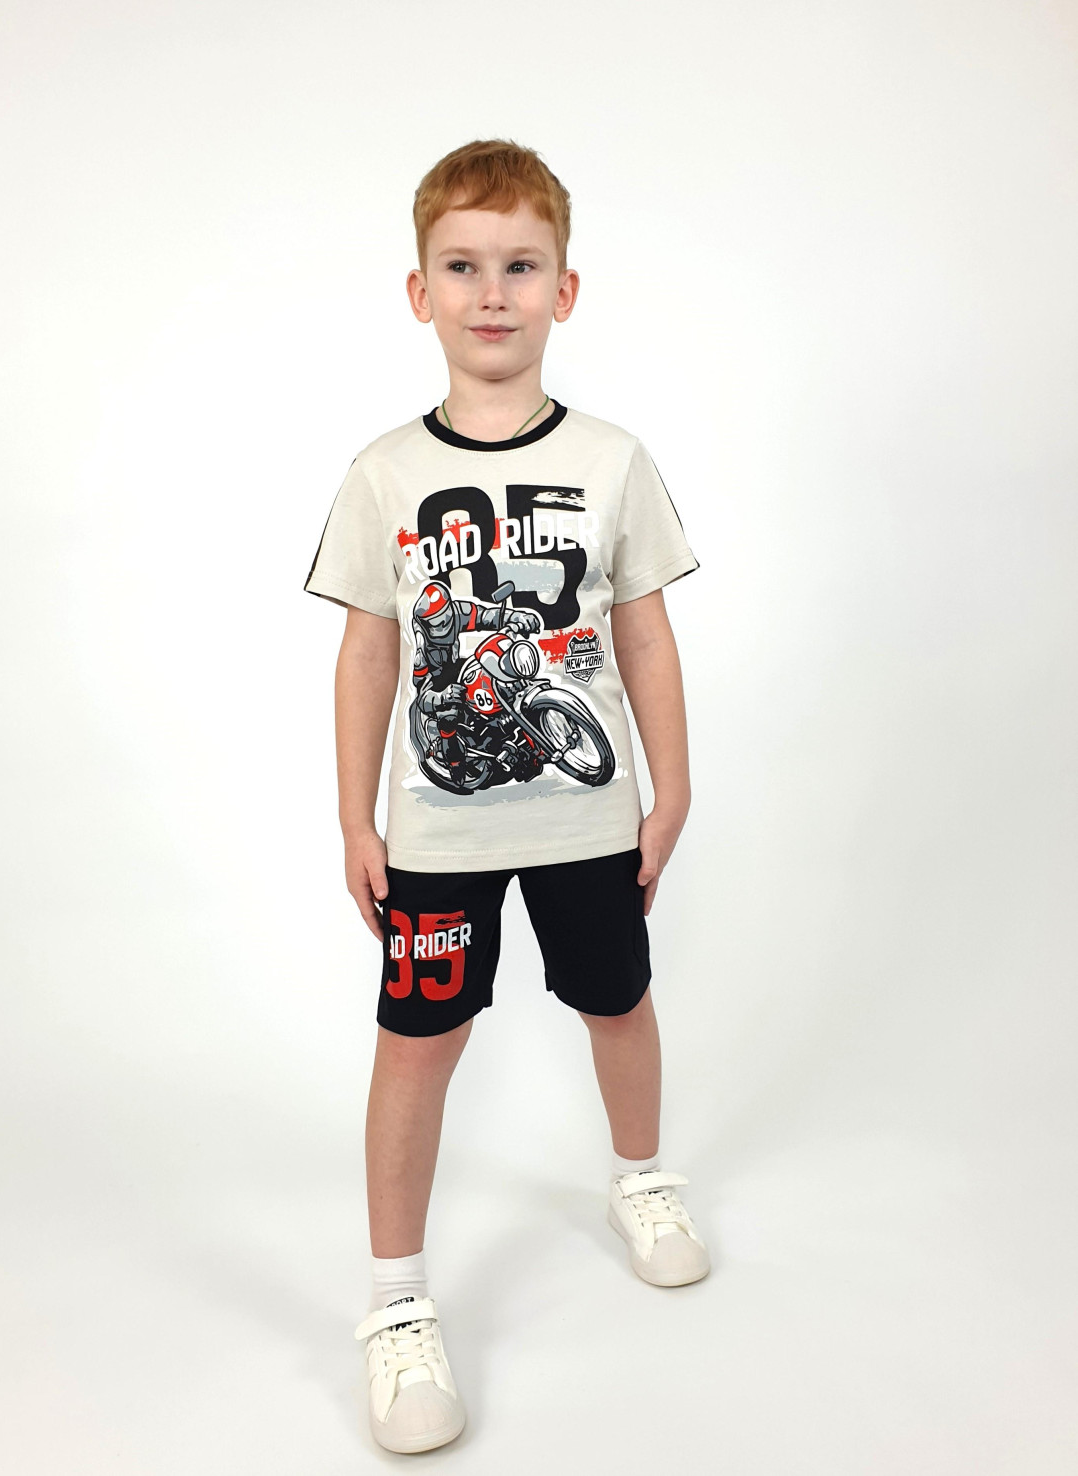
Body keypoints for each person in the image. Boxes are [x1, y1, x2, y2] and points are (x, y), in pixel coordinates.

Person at [303, 138, 710, 1455]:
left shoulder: (612, 459)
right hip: (436, 828)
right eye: (464, 267)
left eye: (521, 267)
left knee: (617, 999)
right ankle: (394, 1301)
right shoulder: (383, 473)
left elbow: (643, 631)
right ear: (419, 291)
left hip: (589, 819)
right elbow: (367, 650)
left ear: (564, 290)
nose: (493, 293)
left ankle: (641, 1179)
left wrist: (670, 784)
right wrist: (355, 817)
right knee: (416, 1040)